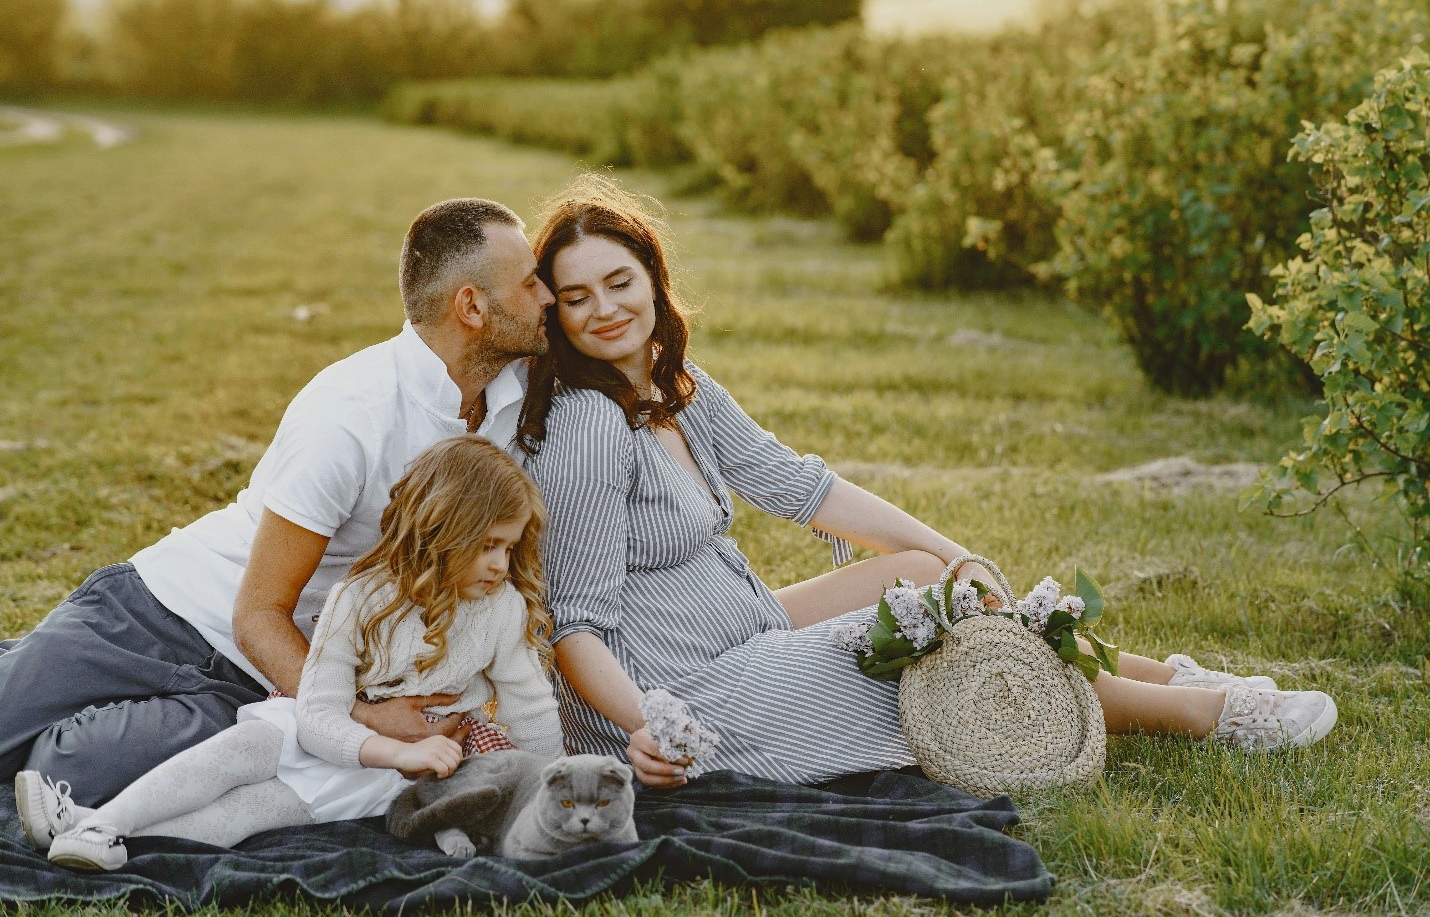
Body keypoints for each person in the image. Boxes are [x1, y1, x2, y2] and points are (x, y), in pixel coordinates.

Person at [518, 175, 1338, 789]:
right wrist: (651, 724)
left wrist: (960, 553)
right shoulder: (590, 425)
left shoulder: (676, 386)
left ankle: (1170, 675)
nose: (604, 310)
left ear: (652, 278)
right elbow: (575, 628)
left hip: (747, 630)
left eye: (619, 282)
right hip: (690, 692)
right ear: (556, 315)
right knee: (932, 635)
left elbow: (803, 487)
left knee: (926, 577)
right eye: (577, 297)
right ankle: (1205, 716)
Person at [0, 199, 554, 807]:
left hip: (255, 681)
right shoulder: (352, 413)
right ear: (471, 306)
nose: (548, 296)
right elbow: (258, 612)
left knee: (66, 775)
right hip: (160, 614)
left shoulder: (511, 400)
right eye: (530, 283)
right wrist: (358, 716)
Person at [21, 435, 562, 871]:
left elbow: (529, 704)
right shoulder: (360, 599)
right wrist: (391, 750)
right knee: (230, 756)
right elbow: (318, 711)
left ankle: (91, 835)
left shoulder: (502, 609)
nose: (500, 565)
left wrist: (550, 787)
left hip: (386, 776)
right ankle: (103, 823)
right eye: (487, 546)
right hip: (321, 729)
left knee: (244, 816)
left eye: (509, 547)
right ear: (440, 532)